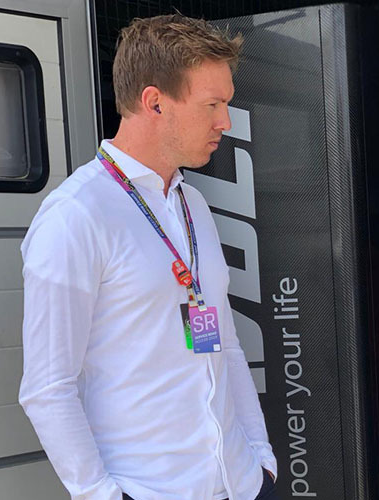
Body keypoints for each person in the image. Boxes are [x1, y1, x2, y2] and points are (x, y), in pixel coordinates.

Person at [19, 14, 278, 500]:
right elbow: (48, 387)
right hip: (151, 490)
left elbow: (224, 344)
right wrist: (100, 493)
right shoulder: (76, 216)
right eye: (213, 104)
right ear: (155, 101)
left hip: (240, 483)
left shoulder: (191, 202)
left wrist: (260, 457)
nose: (225, 120)